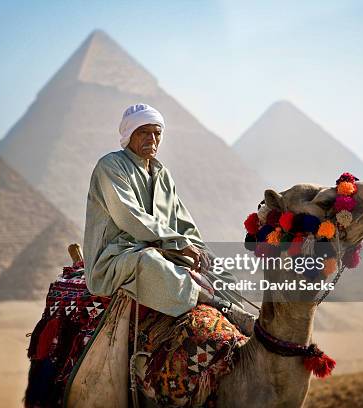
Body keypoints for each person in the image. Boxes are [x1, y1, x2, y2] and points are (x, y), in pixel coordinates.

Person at [83, 103, 254, 334]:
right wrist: (179, 243)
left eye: (157, 133)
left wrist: (199, 251)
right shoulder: (111, 166)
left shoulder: (161, 174)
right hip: (119, 257)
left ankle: (237, 323)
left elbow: (182, 222)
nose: (152, 139)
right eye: (144, 132)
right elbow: (130, 217)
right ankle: (216, 304)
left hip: (165, 250)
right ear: (129, 134)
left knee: (221, 273)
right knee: (150, 262)